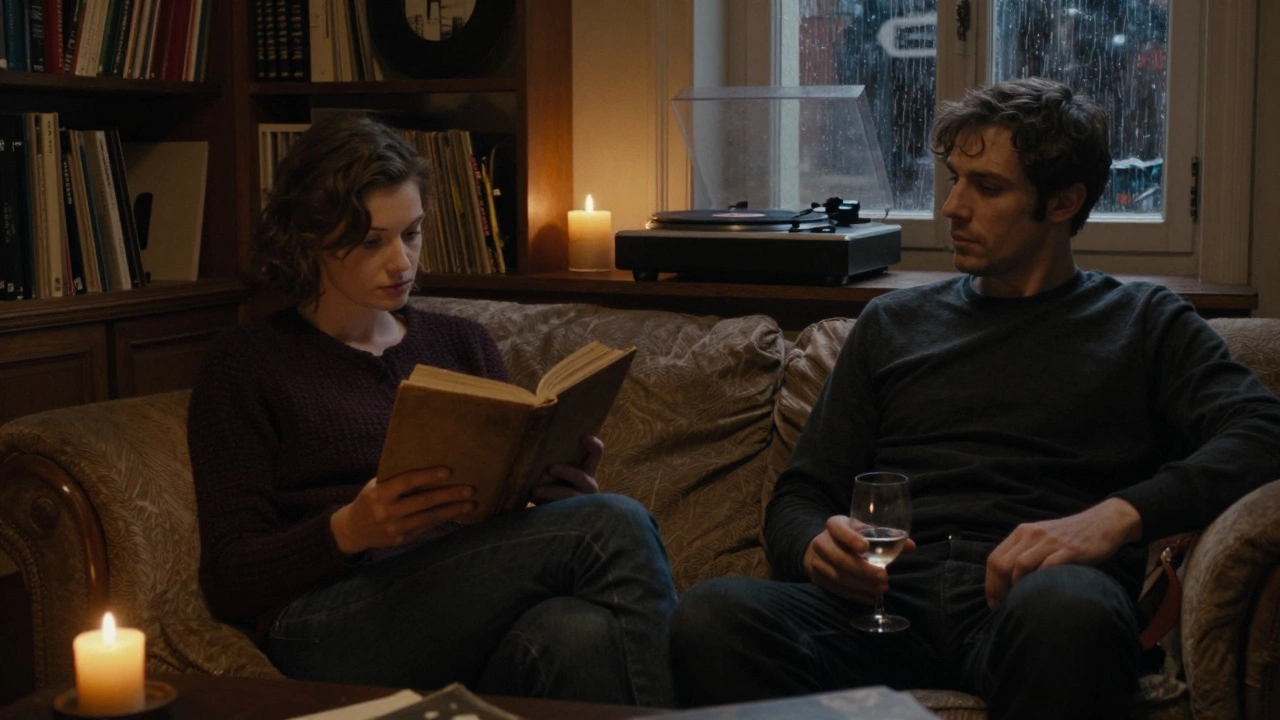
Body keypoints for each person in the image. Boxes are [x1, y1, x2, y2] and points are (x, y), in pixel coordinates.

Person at [667, 77, 1280, 719]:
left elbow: (1264, 431)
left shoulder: (1144, 322)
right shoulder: (891, 324)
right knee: (713, 614)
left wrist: (1117, 516)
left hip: (1035, 599)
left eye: (986, 187)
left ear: (1064, 201)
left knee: (1072, 615)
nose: (952, 207)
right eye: (954, 179)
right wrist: (815, 548)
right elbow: (801, 494)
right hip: (883, 604)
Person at [187, 113, 677, 706]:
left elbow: (491, 527)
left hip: (456, 600)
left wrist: (546, 497)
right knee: (614, 523)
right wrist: (348, 529)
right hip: (327, 618)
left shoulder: (462, 342)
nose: (402, 263)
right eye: (372, 241)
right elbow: (230, 579)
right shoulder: (245, 364)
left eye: (412, 234)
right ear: (310, 236)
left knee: (576, 635)